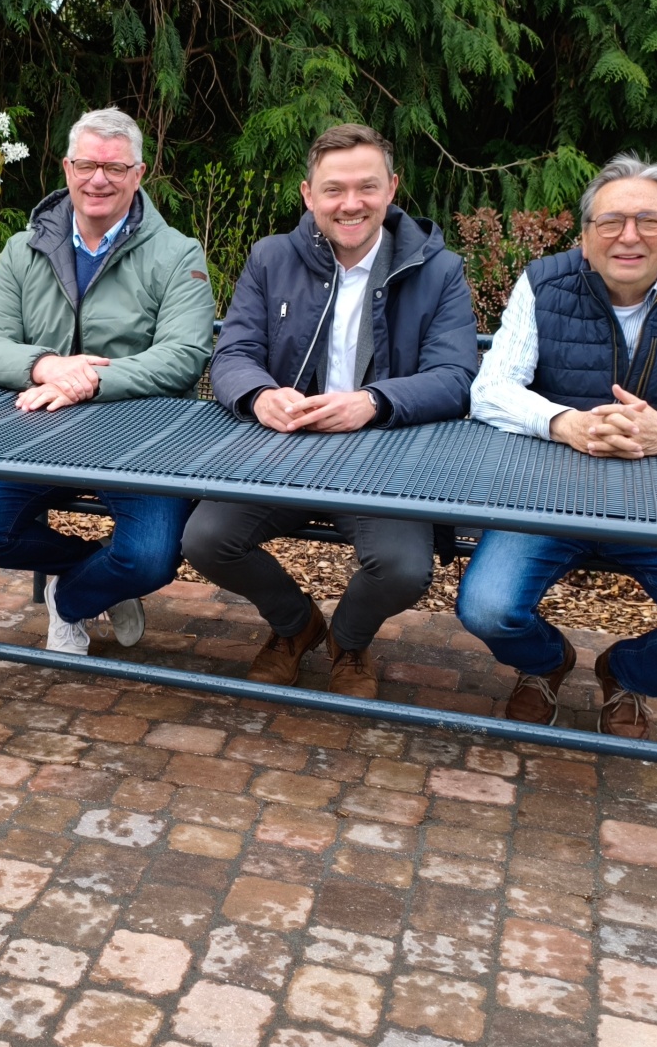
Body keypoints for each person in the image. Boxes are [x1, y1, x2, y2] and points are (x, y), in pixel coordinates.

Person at [458, 154, 657, 736]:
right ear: (585, 236)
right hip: (548, 496)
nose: (629, 236)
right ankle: (545, 662)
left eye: (648, 221)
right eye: (610, 222)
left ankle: (627, 672)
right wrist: (564, 423)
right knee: (486, 610)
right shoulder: (543, 283)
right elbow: (491, 389)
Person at [181, 124, 478, 697]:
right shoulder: (271, 257)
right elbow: (233, 354)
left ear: (391, 188)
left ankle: (348, 637)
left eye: (366, 187)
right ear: (308, 194)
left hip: (385, 452)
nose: (350, 204)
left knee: (403, 568)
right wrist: (260, 395)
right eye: (333, 189)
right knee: (205, 539)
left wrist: (373, 401)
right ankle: (296, 627)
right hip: (283, 446)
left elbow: (456, 377)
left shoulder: (438, 269)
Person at [0, 106, 215, 655]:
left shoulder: (178, 253)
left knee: (149, 558)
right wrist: (48, 366)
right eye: (88, 164)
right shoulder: (23, 250)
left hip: (143, 439)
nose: (99, 179)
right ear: (67, 168)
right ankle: (91, 572)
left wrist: (88, 380)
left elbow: (185, 356)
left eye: (115, 168)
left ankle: (71, 596)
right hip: (38, 433)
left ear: (139, 175)